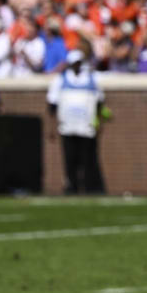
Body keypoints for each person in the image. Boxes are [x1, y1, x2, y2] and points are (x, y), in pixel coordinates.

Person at [47, 50, 106, 194]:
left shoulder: (92, 79)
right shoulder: (60, 80)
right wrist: (51, 126)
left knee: (88, 158)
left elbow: (99, 103)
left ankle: (90, 187)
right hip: (67, 127)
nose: (76, 66)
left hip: (86, 127)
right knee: (70, 158)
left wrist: (99, 123)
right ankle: (71, 186)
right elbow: (52, 105)